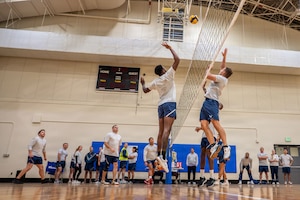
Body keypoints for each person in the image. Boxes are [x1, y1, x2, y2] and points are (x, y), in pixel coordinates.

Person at [140, 42, 180, 173]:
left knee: (161, 131)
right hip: (170, 104)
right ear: (163, 69)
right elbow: (177, 60)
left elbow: (145, 90)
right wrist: (170, 48)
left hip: (161, 105)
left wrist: (143, 83)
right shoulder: (168, 75)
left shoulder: (156, 82)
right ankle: (162, 157)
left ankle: (159, 155)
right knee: (166, 131)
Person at [199, 48, 232, 160]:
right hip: (206, 102)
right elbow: (223, 67)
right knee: (204, 125)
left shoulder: (221, 78)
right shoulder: (222, 76)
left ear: (224, 73)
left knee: (216, 124)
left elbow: (207, 76)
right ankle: (213, 145)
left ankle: (226, 147)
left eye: (222, 70)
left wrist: (209, 68)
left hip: (212, 103)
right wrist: (224, 57)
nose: (220, 69)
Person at [195, 82, 224, 187]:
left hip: (211, 136)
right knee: (202, 155)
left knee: (209, 155)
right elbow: (207, 93)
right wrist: (203, 88)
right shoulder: (206, 106)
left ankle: (212, 177)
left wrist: (219, 104)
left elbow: (221, 105)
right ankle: (202, 177)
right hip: (204, 135)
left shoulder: (214, 108)